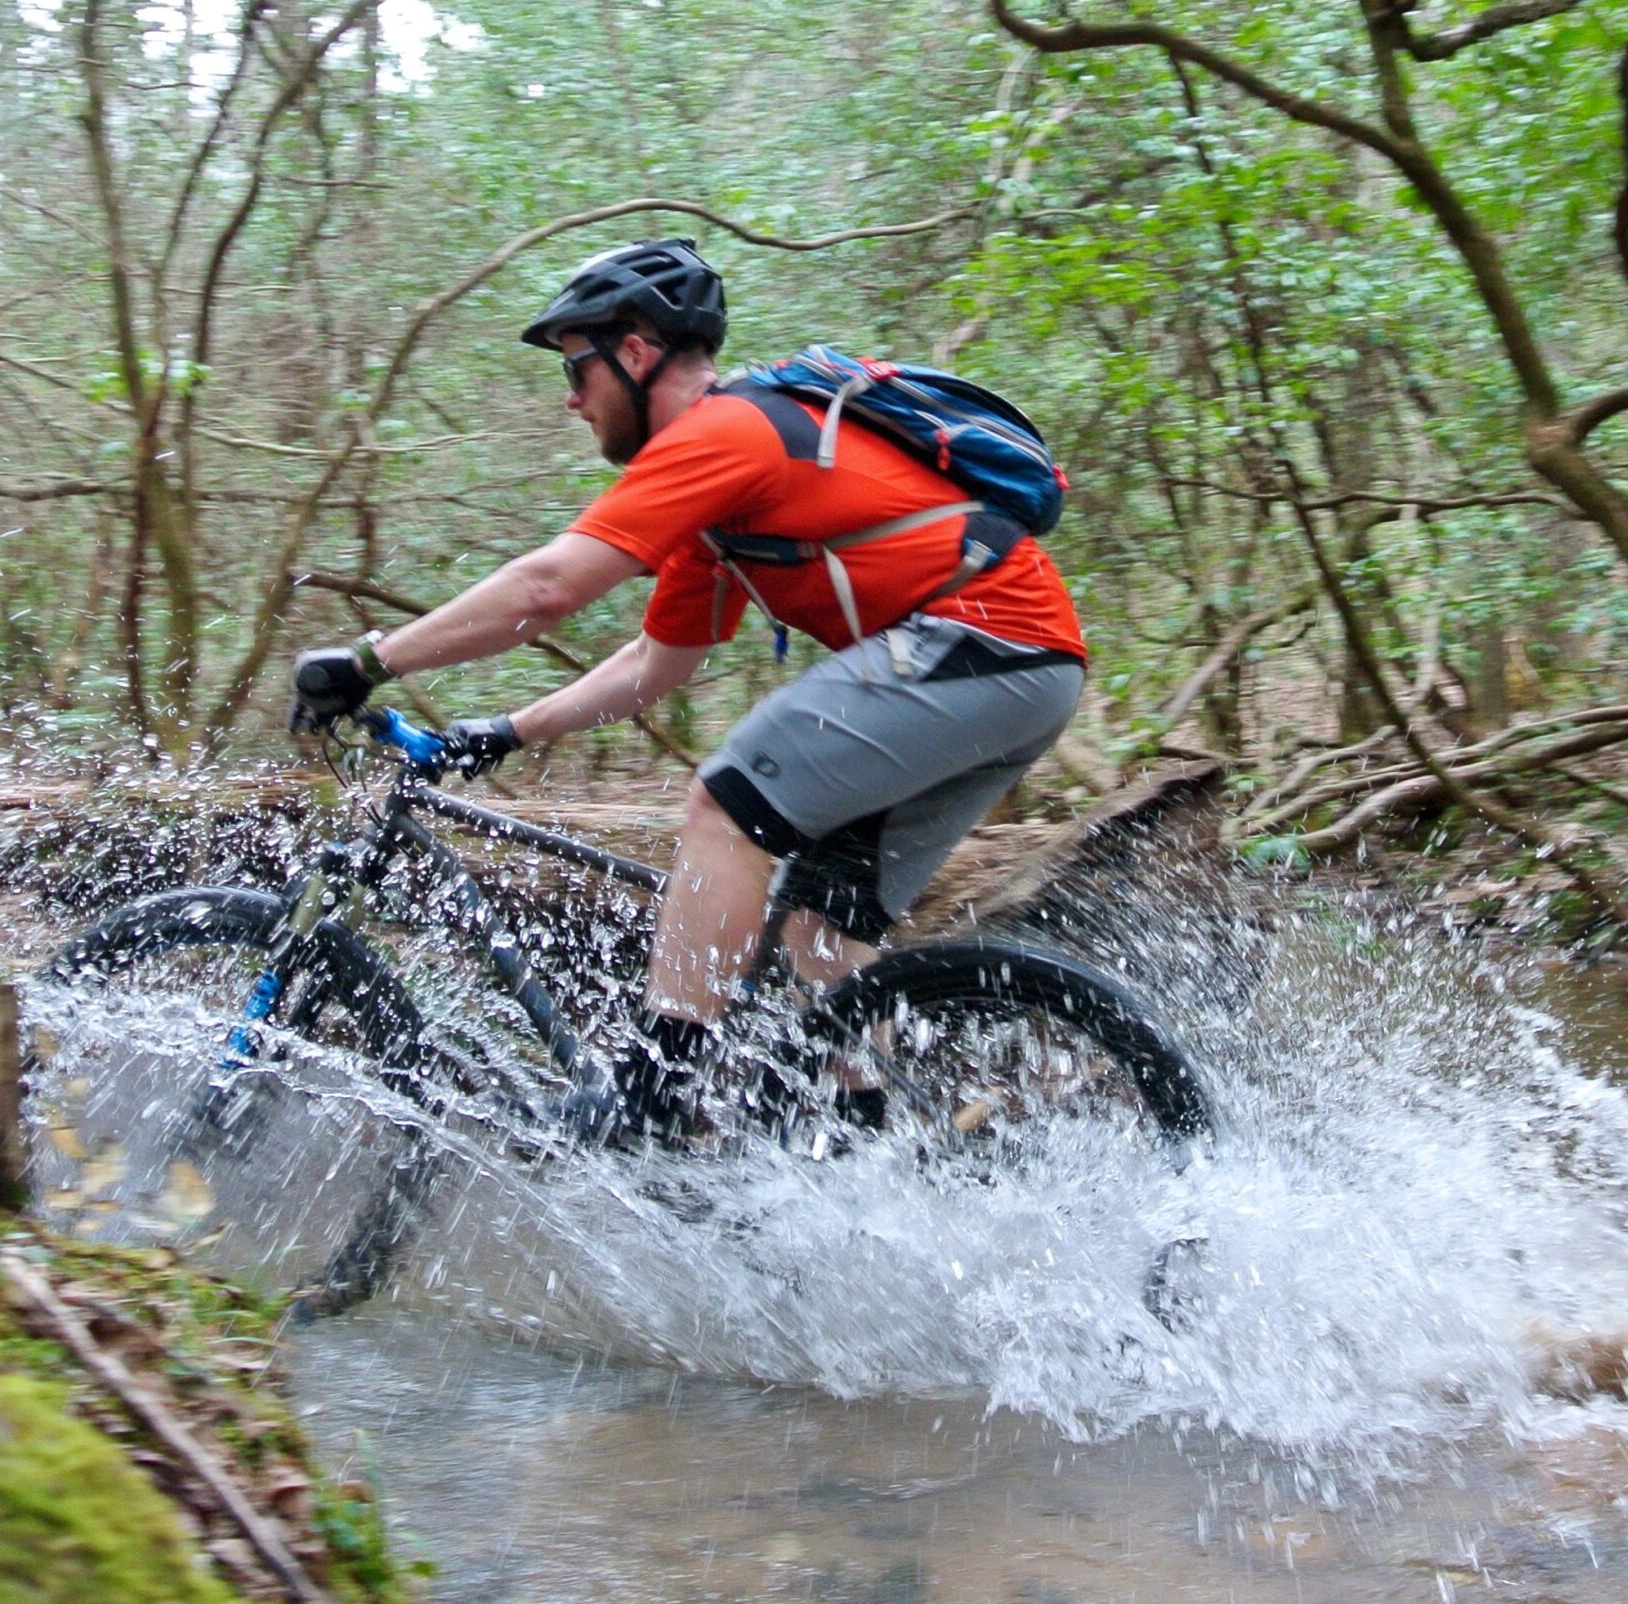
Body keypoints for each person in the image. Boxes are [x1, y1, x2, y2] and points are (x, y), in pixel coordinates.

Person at [290, 236, 1086, 1143]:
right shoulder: (726, 500)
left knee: (727, 802)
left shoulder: (724, 432)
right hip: (1021, 672)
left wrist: (365, 662)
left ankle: (655, 1091)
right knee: (822, 930)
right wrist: (504, 731)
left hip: (980, 644)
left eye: (577, 369)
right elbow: (657, 664)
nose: (570, 396)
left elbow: (549, 588)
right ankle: (866, 1137)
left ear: (635, 352)